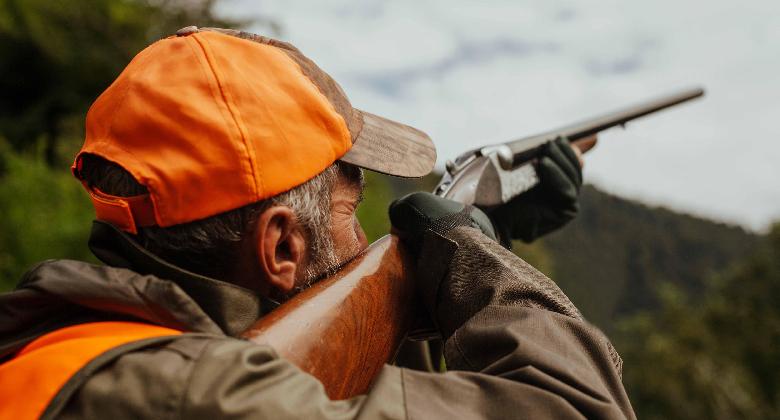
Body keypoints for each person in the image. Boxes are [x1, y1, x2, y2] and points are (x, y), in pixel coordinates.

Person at [0, 27, 635, 419]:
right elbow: (578, 412)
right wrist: (481, 264)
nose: (365, 244)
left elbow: (344, 382)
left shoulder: (63, 356)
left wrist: (483, 230)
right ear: (280, 247)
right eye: (349, 212)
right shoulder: (202, 396)